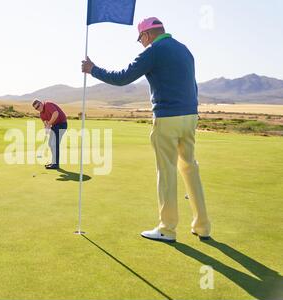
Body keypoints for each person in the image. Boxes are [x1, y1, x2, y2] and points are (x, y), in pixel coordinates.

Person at [81, 17, 211, 243]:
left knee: (167, 172)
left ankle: (167, 229)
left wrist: (93, 70)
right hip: (190, 116)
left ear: (148, 35)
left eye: (140, 38)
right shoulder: (184, 49)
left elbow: (122, 78)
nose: (141, 43)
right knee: (190, 168)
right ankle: (203, 226)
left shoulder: (154, 50)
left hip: (167, 118)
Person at [32, 99, 68, 170]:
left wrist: (49, 124)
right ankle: (54, 162)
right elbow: (46, 124)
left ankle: (55, 164)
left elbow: (56, 113)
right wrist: (47, 129)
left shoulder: (48, 105)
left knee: (54, 144)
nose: (38, 108)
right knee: (50, 144)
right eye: (36, 108)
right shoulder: (41, 115)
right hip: (54, 126)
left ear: (41, 103)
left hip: (61, 124)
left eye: (38, 106)